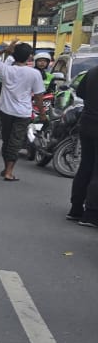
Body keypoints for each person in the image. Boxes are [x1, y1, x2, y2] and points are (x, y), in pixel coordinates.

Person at [0, 42, 46, 181]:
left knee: (7, 140)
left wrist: (5, 50)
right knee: (15, 142)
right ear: (29, 57)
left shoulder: (6, 69)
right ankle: (9, 171)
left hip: (5, 111)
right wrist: (42, 113)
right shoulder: (35, 73)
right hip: (23, 113)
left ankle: (6, 168)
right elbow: (38, 96)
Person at [68, 67, 98, 226]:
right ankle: (91, 214)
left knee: (86, 166)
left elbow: (80, 92)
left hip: (87, 122)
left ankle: (76, 208)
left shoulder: (92, 71)